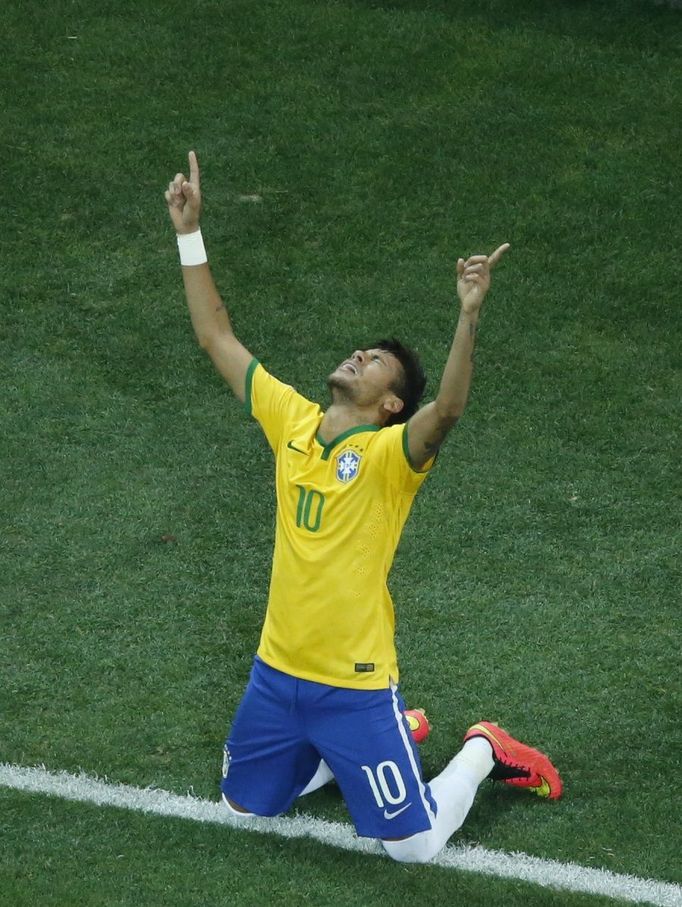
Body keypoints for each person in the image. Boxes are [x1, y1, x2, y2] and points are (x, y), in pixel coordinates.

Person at [164, 151, 562, 864]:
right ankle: (364, 749)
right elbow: (214, 336)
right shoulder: (289, 419)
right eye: (361, 350)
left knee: (409, 848)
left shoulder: (389, 460)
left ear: (389, 404)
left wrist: (468, 314)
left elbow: (450, 409)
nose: (357, 355)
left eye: (374, 361)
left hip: (353, 685)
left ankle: (481, 748)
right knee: (246, 806)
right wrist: (188, 232)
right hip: (275, 673)